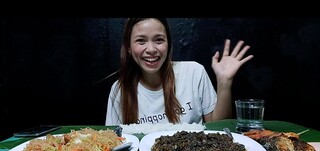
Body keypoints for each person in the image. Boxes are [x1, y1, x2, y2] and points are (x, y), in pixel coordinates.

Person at [105, 18, 253, 126]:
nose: (151, 49)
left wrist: (224, 82)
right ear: (129, 48)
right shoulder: (119, 90)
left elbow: (220, 128)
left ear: (168, 44)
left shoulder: (194, 72)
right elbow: (114, 143)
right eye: (141, 41)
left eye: (159, 40)